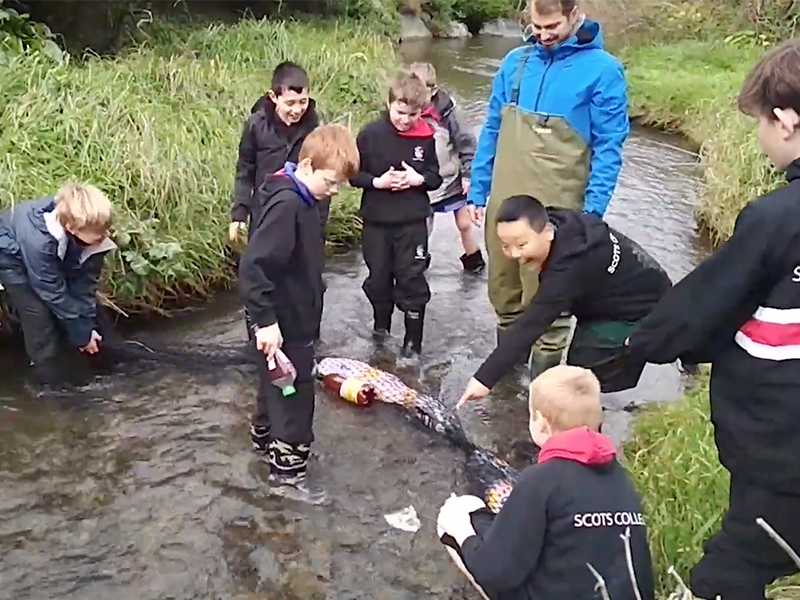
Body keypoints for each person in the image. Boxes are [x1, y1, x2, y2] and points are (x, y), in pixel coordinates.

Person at [624, 39, 800, 600]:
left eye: (760, 123)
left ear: (787, 120)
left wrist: (638, 339)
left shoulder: (777, 218)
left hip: (782, 456)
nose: (761, 136)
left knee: (725, 577)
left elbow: (699, 310)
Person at [467, 0, 630, 374]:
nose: (542, 35)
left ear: (575, 14)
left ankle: (542, 399)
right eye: (536, 26)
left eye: (552, 25)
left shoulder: (604, 71)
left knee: (551, 314)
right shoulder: (515, 63)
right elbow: (492, 129)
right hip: (505, 207)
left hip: (560, 214)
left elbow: (609, 149)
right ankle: (504, 386)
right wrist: (478, 188)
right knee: (505, 298)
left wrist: (592, 216)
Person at [438, 365, 655, 600]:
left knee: (459, 511)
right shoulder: (620, 477)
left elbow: (495, 572)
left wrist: (461, 531)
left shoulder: (541, 479)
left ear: (541, 422)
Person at [239, 124, 360, 505]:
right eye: (331, 181)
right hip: (283, 324)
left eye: (340, 184)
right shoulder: (289, 205)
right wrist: (267, 323)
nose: (335, 190)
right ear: (306, 165)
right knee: (294, 393)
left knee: (271, 386)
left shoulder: (292, 192)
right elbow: (254, 267)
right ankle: (287, 477)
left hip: (283, 318)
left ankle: (263, 446)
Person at [457, 194, 670, 408]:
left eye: (521, 244)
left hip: (638, 307)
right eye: (505, 245)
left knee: (580, 379)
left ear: (547, 232)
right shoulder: (558, 220)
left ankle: (588, 427)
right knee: (575, 373)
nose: (513, 254)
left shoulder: (568, 269)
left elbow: (532, 324)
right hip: (626, 283)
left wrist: (484, 379)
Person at [228, 61, 325, 341]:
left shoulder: (314, 128)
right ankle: (259, 340)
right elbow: (245, 170)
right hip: (265, 217)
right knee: (261, 278)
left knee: (311, 282)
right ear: (274, 97)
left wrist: (318, 225)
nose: (297, 110)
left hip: (306, 217)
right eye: (290, 103)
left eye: (303, 101)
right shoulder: (256, 126)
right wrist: (239, 214)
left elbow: (322, 177)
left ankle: (309, 341)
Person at [350, 70, 442, 359]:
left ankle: (412, 347)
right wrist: (378, 182)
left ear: (422, 111)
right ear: (389, 104)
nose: (405, 120)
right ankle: (381, 333)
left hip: (412, 222)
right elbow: (353, 175)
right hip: (376, 222)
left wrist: (418, 180)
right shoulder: (370, 134)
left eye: (412, 114)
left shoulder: (426, 137)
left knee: (412, 279)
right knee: (379, 279)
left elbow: (435, 178)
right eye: (400, 112)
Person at [0, 184, 116, 385]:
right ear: (71, 228)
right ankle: (48, 380)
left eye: (106, 229)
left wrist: (86, 328)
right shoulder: (39, 242)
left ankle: (82, 359)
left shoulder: (94, 234)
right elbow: (51, 291)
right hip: (9, 254)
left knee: (83, 309)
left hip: (53, 255)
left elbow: (85, 286)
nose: (105, 237)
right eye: (98, 234)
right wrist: (81, 335)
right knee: (38, 315)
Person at [408, 62, 485, 275]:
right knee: (421, 226)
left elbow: (467, 142)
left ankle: (474, 262)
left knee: (464, 223)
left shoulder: (448, 110)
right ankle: (418, 263)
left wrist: (468, 174)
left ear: (433, 90)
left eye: (422, 93)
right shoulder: (406, 109)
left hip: (452, 178)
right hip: (423, 179)